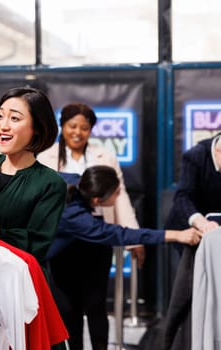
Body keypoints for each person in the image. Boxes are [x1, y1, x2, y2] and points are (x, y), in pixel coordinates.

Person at [47, 165, 202, 350]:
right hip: (49, 263)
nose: (119, 193)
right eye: (116, 192)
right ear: (97, 200)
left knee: (91, 311)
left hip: (79, 259)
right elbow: (121, 234)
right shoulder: (77, 218)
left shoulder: (72, 180)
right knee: (70, 317)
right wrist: (175, 235)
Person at [37, 103, 144, 349]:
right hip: (61, 240)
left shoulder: (105, 156)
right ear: (62, 127)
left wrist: (134, 238)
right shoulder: (45, 157)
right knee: (67, 307)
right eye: (72, 126)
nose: (78, 132)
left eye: (84, 128)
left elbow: (121, 198)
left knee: (96, 304)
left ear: (91, 130)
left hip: (97, 237)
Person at [0, 86, 67, 267]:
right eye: (0, 116)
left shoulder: (51, 184)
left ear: (37, 128)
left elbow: (34, 247)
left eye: (15, 118)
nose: (3, 126)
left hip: (18, 282)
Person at [165, 130, 221, 233]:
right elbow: (183, 197)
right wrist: (199, 221)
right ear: (217, 151)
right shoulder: (195, 157)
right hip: (187, 229)